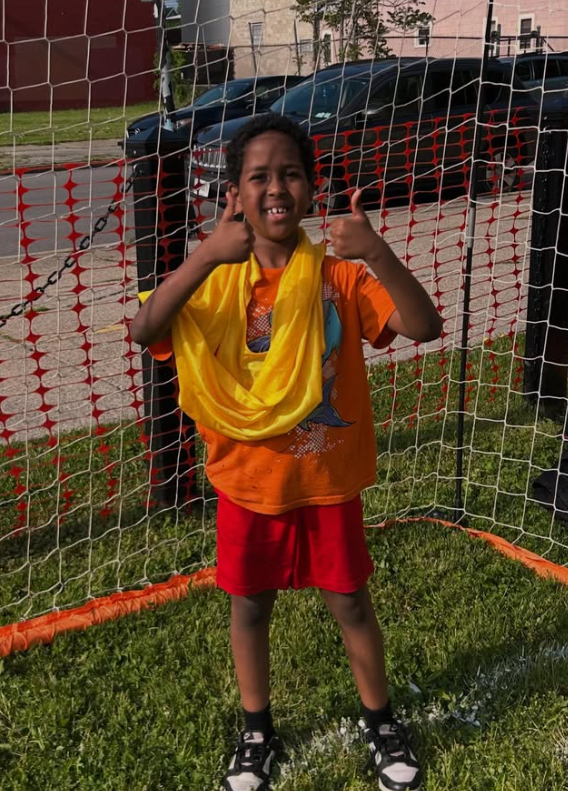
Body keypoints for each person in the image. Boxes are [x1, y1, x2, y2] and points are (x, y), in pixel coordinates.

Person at [130, 113, 442, 791]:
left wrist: (377, 253)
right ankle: (256, 731)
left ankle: (381, 720)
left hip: (326, 480)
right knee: (250, 607)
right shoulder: (215, 281)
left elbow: (424, 326)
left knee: (351, 602)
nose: (276, 188)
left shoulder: (338, 278)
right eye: (259, 177)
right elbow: (145, 327)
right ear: (235, 195)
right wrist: (205, 255)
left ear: (311, 188)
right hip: (247, 483)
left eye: (291, 174)